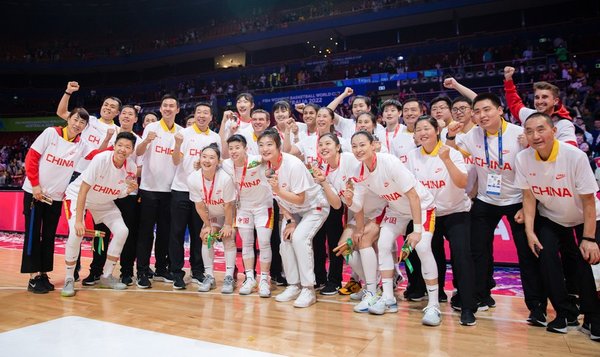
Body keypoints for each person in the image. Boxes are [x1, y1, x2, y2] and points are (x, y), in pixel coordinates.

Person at [446, 93, 547, 324]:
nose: (482, 115)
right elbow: (452, 152)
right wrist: (451, 135)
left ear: (500, 110)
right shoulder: (472, 135)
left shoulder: (519, 134)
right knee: (478, 252)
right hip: (485, 200)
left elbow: (535, 170)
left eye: (487, 110)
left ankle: (537, 306)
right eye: (477, 111)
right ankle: (481, 296)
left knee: (528, 254)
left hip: (517, 201)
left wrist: (528, 203)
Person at [515, 113, 600, 340]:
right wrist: (530, 232)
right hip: (552, 217)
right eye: (530, 131)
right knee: (546, 256)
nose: (535, 136)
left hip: (586, 217)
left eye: (541, 129)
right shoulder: (523, 158)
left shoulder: (574, 156)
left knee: (586, 262)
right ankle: (565, 312)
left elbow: (589, 202)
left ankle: (593, 316)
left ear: (554, 131)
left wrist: (589, 238)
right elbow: (529, 197)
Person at [350, 131, 441, 326]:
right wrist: (348, 200)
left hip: (422, 206)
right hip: (396, 209)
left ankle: (434, 305)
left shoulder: (389, 162)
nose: (358, 150)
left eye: (362, 145)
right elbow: (357, 206)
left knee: (422, 247)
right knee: (383, 244)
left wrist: (416, 231)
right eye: (354, 146)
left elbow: (414, 196)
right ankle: (388, 298)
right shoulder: (358, 172)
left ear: (374, 145)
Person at [406, 116, 477, 326]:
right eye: (418, 129)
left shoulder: (451, 152)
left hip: (456, 211)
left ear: (437, 130)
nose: (422, 133)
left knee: (462, 257)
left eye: (426, 128)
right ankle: (436, 299)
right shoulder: (411, 156)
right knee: (431, 256)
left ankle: (467, 306)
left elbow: (463, 182)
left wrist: (446, 159)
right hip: (429, 213)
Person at [311, 133, 386, 311]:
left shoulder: (350, 160)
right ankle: (370, 287)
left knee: (363, 242)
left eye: (328, 143)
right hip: (358, 212)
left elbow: (360, 191)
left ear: (338, 146)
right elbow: (337, 204)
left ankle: (374, 290)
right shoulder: (327, 171)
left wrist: (359, 228)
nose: (323, 147)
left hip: (378, 209)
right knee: (344, 248)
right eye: (320, 144)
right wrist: (324, 183)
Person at [21, 108, 90, 293]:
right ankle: (33, 277)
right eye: (75, 119)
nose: (77, 124)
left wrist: (114, 145)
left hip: (56, 198)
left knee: (49, 237)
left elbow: (95, 156)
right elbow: (32, 158)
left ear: (85, 127)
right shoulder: (51, 133)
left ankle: (43, 273)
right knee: (33, 235)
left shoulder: (81, 144)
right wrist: (35, 185)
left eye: (82, 123)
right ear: (69, 118)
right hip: (35, 193)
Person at [61, 132, 139, 297]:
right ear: (115, 146)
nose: (123, 149)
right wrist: (80, 221)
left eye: (127, 147)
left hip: (103, 202)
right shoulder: (101, 159)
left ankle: (106, 275)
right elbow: (83, 190)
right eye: (120, 145)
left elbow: (118, 193)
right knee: (76, 233)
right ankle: (69, 278)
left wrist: (128, 191)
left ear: (132, 150)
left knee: (122, 231)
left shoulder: (131, 167)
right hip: (78, 196)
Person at [258, 129, 329, 307]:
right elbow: (279, 200)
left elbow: (300, 198)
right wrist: (290, 220)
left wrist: (279, 191)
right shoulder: (265, 167)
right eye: (261, 145)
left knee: (299, 238)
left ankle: (308, 289)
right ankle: (294, 285)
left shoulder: (293, 164)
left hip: (314, 207)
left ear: (278, 146)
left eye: (269, 145)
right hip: (293, 211)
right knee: (285, 241)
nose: (265, 149)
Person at [284, 107, 348, 294]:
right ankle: (319, 277)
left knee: (334, 240)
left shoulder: (342, 142)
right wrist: (287, 132)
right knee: (316, 240)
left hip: (334, 195)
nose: (320, 119)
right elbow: (287, 150)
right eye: (317, 116)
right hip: (314, 198)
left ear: (331, 120)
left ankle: (334, 280)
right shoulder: (308, 141)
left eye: (324, 116)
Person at [168, 102, 220, 290]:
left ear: (211, 118)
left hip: (203, 194)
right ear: (194, 115)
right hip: (181, 189)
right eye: (199, 112)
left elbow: (218, 164)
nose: (202, 115)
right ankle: (176, 272)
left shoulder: (215, 138)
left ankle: (197, 271)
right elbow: (175, 161)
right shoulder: (183, 133)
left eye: (206, 113)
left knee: (200, 233)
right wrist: (178, 144)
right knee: (177, 233)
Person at [135, 94, 182, 288]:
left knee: (165, 233)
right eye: (165, 106)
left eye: (172, 106)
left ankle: (161, 268)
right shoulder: (151, 128)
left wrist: (178, 144)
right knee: (146, 233)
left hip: (170, 190)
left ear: (178, 110)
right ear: (161, 109)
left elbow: (177, 160)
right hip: (149, 189)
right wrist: (146, 141)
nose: (168, 108)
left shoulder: (182, 132)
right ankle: (142, 271)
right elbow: (138, 153)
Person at [222, 134, 273, 297]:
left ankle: (265, 279)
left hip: (264, 207)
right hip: (243, 208)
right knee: (247, 244)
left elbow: (274, 157)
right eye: (231, 148)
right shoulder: (226, 164)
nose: (234, 151)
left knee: (264, 243)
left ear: (246, 148)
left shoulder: (257, 160)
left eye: (237, 148)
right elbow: (213, 164)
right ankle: (249, 278)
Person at [188, 144, 237, 293]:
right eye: (204, 156)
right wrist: (207, 225)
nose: (207, 160)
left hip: (229, 212)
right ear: (199, 158)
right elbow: (199, 206)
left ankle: (229, 277)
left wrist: (228, 225)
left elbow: (229, 205)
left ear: (218, 161)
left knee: (228, 237)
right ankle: (209, 276)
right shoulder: (193, 178)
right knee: (207, 237)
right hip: (213, 214)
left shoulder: (225, 178)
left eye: (211, 157)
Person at [503, 66, 576, 146]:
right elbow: (514, 104)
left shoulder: (564, 124)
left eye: (544, 97)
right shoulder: (529, 115)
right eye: (537, 97)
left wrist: (530, 145)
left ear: (555, 101)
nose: (540, 101)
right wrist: (508, 80)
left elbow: (570, 152)